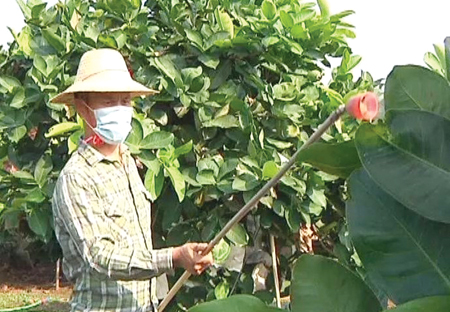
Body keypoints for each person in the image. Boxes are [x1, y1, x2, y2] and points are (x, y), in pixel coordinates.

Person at [51, 48, 213, 312]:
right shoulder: (76, 177)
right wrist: (173, 257)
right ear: (83, 108)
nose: (120, 109)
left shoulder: (127, 161)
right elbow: (99, 257)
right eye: (108, 102)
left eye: (125, 101)